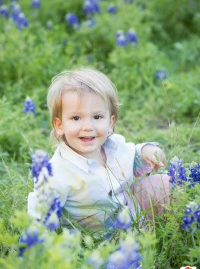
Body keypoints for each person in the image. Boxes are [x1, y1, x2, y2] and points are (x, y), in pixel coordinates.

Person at [28, 68, 170, 230]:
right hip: (99, 239)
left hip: (133, 215)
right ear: (60, 126)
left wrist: (147, 152)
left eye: (97, 117)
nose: (88, 127)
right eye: (76, 118)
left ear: (110, 123)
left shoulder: (115, 145)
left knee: (166, 182)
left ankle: (181, 226)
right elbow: (40, 211)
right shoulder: (56, 172)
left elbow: (134, 159)